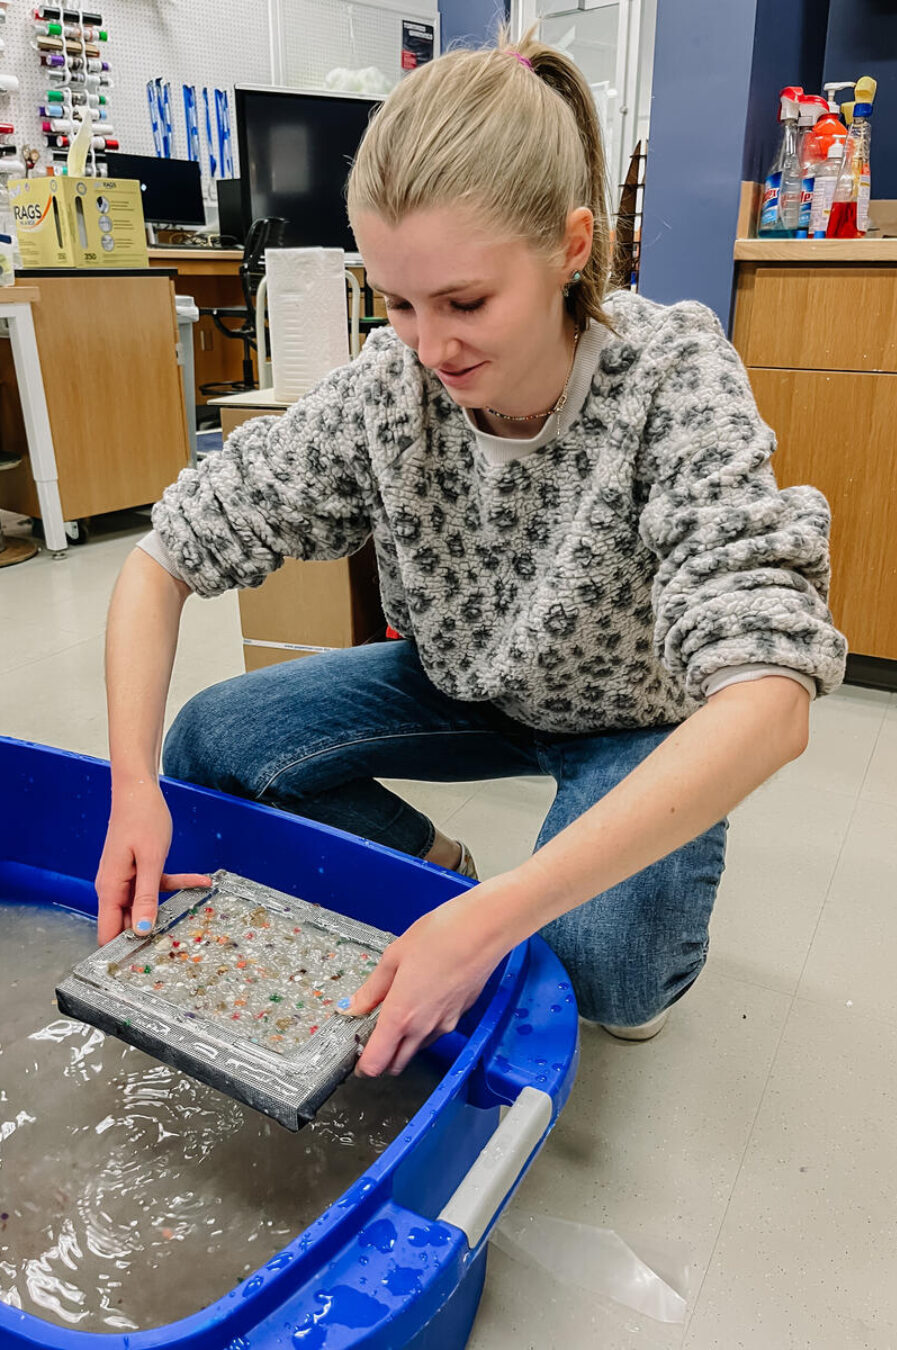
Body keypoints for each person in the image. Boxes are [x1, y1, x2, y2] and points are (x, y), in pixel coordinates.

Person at [96, 33, 847, 1080]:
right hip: (460, 685)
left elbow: (771, 698)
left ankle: (549, 917)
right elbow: (162, 559)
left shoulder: (671, 373)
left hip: (633, 717)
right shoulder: (389, 385)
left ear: (571, 247)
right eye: (397, 302)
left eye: (465, 303)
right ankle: (437, 868)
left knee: (595, 973)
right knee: (209, 744)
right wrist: (132, 786)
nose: (430, 346)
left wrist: (499, 917)